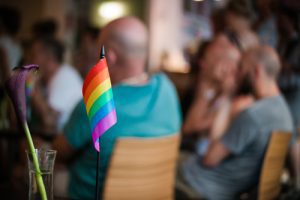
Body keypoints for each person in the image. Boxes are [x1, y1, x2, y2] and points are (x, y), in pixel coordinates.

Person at [52, 16, 182, 199]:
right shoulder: (167, 88)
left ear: (110, 58)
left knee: (33, 168)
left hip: (88, 194)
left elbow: (57, 153)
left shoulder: (98, 102)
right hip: (152, 194)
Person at [178, 45, 294, 200]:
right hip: (216, 183)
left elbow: (209, 159)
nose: (238, 74)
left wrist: (227, 98)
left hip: (202, 185)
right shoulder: (284, 112)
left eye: (241, 68)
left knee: (154, 166)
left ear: (256, 72)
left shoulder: (253, 115)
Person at [30, 37, 82, 130]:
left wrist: (32, 87)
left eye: (34, 55)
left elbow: (49, 120)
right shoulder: (53, 77)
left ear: (49, 58)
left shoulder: (64, 77)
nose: (30, 60)